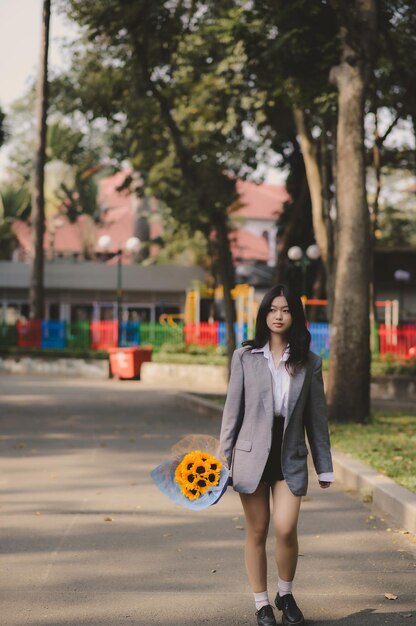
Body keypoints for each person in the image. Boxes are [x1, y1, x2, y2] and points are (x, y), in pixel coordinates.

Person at [219, 284, 333, 626]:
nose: (278, 316)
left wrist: (324, 466)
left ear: (295, 316)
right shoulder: (244, 357)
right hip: (251, 455)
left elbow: (317, 417)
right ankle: (262, 604)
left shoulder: (309, 361)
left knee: (285, 528)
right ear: (263, 314)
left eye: (285, 310)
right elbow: (231, 413)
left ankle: (286, 593)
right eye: (272, 309)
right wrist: (221, 461)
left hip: (290, 456)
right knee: (258, 530)